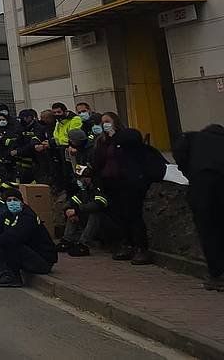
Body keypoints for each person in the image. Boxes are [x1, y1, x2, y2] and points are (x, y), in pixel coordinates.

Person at [91, 112, 159, 265]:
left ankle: (141, 248)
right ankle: (126, 244)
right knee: (119, 216)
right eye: (102, 122)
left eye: (107, 121)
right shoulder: (101, 142)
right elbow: (98, 161)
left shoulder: (125, 137)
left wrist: (114, 136)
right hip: (110, 182)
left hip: (128, 183)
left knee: (133, 215)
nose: (104, 124)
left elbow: (134, 145)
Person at [173, 123, 224, 291]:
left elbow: (179, 153)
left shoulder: (192, 137)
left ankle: (217, 275)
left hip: (202, 187)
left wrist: (190, 172)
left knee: (208, 230)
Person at [0, 188, 58, 287]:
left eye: (15, 200)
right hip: (28, 254)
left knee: (9, 243)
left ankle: (14, 278)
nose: (12, 203)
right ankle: (6, 275)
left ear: (21, 201)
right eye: (9, 200)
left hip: (42, 260)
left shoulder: (28, 216)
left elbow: (14, 235)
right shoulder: (8, 214)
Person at [61, 165, 112, 257]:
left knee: (94, 213)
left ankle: (83, 244)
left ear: (88, 178)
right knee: (71, 213)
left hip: (105, 223)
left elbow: (99, 204)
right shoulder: (84, 190)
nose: (79, 181)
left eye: (81, 178)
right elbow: (72, 201)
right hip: (88, 223)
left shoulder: (98, 187)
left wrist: (77, 210)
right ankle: (67, 240)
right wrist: (68, 210)